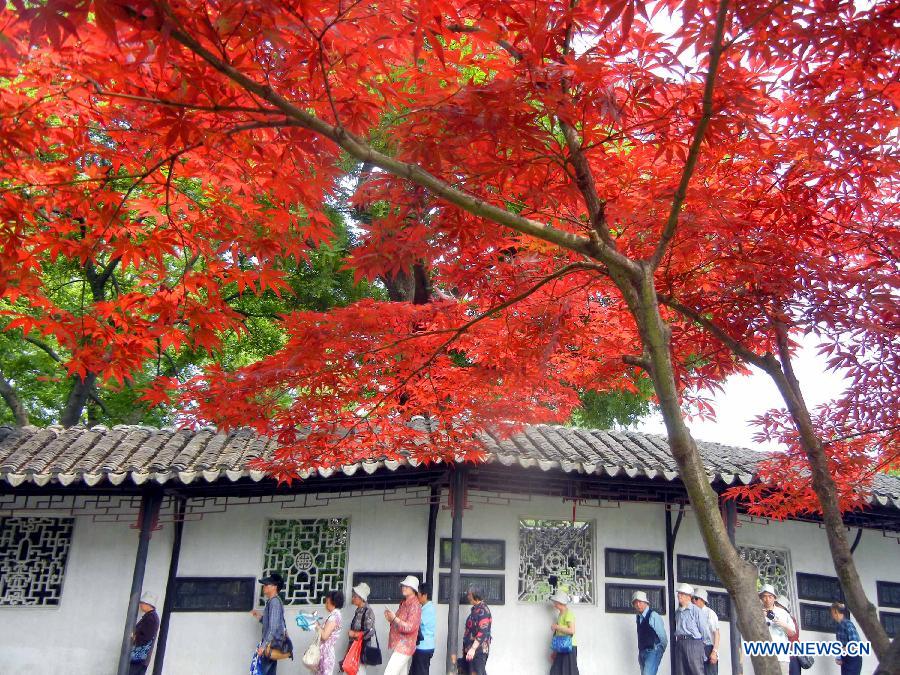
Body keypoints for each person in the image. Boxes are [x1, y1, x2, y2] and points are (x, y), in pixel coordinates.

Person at [384, 575, 422, 675]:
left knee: (389, 673)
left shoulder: (415, 605)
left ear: (413, 589)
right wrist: (391, 619)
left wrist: (394, 619)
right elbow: (397, 621)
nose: (403, 587)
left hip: (405, 646)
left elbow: (410, 627)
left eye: (406, 586)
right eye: (403, 585)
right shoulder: (404, 603)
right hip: (399, 645)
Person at [250, 573, 287, 675]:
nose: (264, 587)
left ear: (274, 587)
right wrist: (259, 617)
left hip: (271, 644)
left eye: (267, 585)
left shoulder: (274, 602)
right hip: (271, 643)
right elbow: (272, 622)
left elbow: (273, 627)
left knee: (264, 671)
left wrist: (263, 645)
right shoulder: (272, 601)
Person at [759, 584, 795, 675]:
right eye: (764, 597)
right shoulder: (757, 613)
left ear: (774, 598)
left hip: (781, 656)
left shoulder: (782, 613)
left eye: (770, 596)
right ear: (761, 598)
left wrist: (778, 622)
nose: (767, 599)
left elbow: (792, 633)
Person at [673, 583, 708, 675]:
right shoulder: (677, 612)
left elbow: (704, 630)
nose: (679, 596)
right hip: (680, 643)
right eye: (679, 593)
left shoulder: (696, 611)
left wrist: (701, 645)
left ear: (689, 596)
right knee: (680, 671)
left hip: (694, 642)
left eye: (682, 594)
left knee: (696, 671)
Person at [632, 590, 667, 675]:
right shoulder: (638, 617)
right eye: (635, 603)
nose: (638, 605)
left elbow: (663, 638)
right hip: (642, 652)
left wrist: (658, 651)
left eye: (640, 602)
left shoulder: (653, 615)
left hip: (652, 651)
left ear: (645, 603)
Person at [460, 585, 492, 675]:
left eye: (469, 594)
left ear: (475, 595)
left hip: (478, 652)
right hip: (472, 651)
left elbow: (482, 632)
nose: (468, 596)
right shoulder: (476, 609)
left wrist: (473, 648)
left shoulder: (483, 610)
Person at [348, 583, 377, 675]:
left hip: (361, 649)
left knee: (360, 671)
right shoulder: (358, 611)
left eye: (355, 597)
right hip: (354, 648)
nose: (353, 599)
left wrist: (355, 634)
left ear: (361, 598)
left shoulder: (368, 611)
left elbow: (371, 631)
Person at [129, 592, 160, 675]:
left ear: (148, 604)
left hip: (139, 657)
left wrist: (135, 637)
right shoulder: (151, 616)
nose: (140, 605)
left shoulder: (151, 618)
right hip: (142, 658)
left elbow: (146, 637)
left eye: (142, 603)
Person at [549, 591, 579, 675]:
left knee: (569, 671)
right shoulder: (560, 614)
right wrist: (555, 651)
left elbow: (572, 630)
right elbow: (559, 634)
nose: (554, 604)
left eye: (555, 602)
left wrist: (556, 626)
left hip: (569, 646)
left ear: (560, 602)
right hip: (561, 646)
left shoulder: (568, 614)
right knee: (556, 671)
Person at [315, 590, 344, 675]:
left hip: (326, 654)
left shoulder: (334, 616)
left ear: (333, 603)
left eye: (327, 602)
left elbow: (324, 636)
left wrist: (316, 624)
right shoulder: (334, 615)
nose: (325, 605)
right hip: (325, 652)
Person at [692, 588, 720, 675]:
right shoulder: (691, 613)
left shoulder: (709, 613)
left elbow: (716, 634)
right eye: (692, 598)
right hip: (694, 648)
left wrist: (714, 652)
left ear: (702, 600)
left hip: (707, 648)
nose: (693, 601)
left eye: (696, 598)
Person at [411, 582, 436, 675]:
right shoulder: (424, 607)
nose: (417, 597)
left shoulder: (428, 609)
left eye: (418, 595)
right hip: (422, 647)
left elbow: (415, 622)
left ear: (424, 595)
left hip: (424, 646)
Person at [831, 602, 863, 675]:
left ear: (835, 612)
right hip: (845, 658)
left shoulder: (848, 624)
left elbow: (855, 644)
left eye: (832, 612)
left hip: (853, 658)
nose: (832, 615)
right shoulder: (838, 626)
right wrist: (839, 657)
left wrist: (842, 650)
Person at [774, 595, 801, 675]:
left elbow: (793, 635)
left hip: (791, 655)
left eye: (777, 605)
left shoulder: (790, 619)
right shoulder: (774, 619)